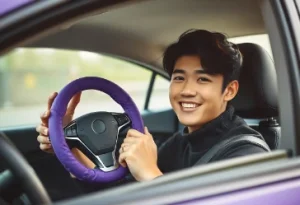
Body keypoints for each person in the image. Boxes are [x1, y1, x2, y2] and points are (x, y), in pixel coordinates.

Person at [36, 29, 268, 185]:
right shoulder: (180, 143)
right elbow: (119, 195)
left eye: (202, 79)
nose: (186, 90)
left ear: (229, 90)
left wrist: (150, 174)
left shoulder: (248, 155)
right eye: (179, 78)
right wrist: (67, 142)